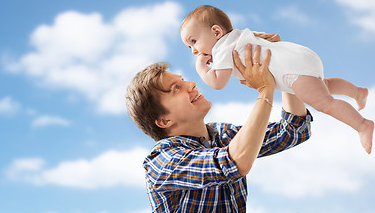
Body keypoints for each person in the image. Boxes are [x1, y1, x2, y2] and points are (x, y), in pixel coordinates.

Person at [125, 44, 313, 212]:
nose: (191, 84)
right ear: (164, 121)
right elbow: (234, 162)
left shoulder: (222, 135)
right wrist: (265, 90)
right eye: (175, 88)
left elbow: (292, 132)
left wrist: (282, 70)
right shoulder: (162, 161)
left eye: (183, 80)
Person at [180, 5, 374, 154]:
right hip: (300, 56)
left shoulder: (221, 49)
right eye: (190, 48)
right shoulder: (238, 36)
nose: (194, 51)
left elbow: (217, 83)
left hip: (291, 71)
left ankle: (362, 125)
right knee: (325, 85)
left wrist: (202, 67)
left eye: (194, 41)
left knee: (325, 103)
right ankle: (357, 92)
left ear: (216, 32)